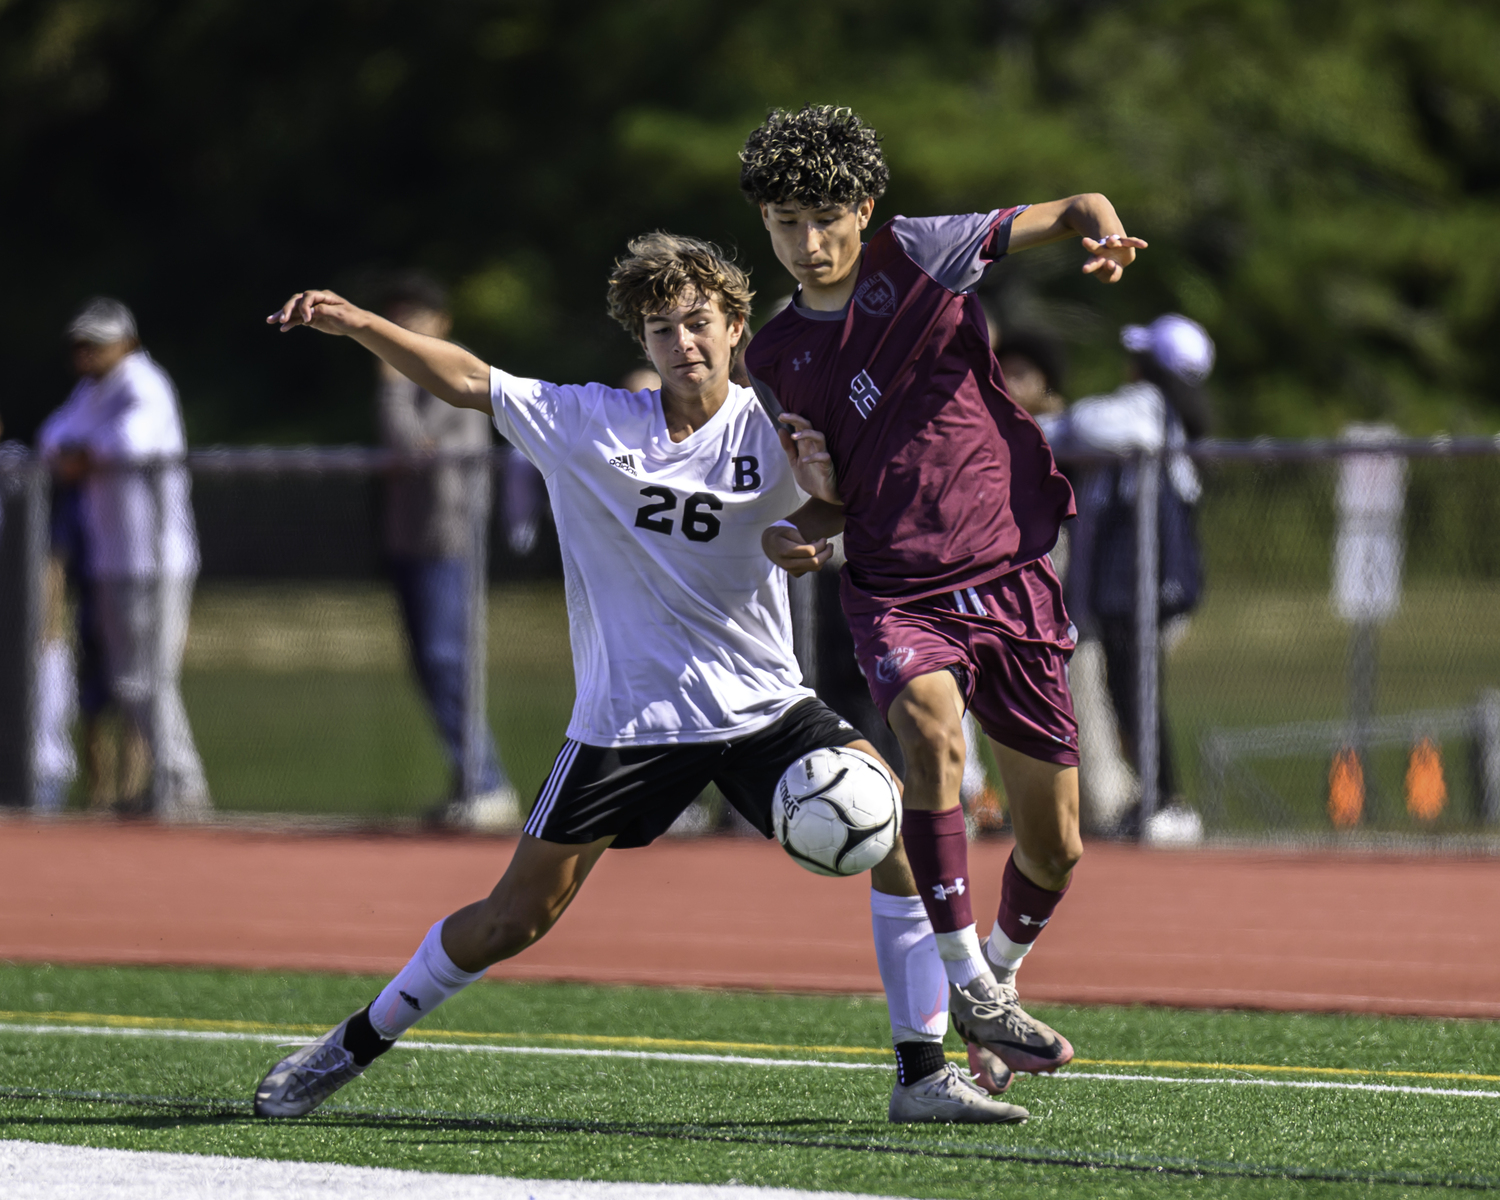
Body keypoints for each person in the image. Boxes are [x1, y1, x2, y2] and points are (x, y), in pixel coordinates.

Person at [252, 234, 1028, 1125]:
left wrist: (817, 531)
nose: (684, 343)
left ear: (737, 327)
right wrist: (358, 324)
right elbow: (468, 380)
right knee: (513, 919)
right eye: (662, 329)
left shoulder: (784, 431)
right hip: (627, 723)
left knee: (893, 832)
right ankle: (348, 1046)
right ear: (644, 341)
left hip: (764, 708)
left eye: (699, 323)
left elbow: (858, 501)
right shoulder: (587, 421)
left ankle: (922, 1069)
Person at [743, 104, 1146, 1085]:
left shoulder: (920, 256)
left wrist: (1096, 219)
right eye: (786, 221)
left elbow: (1061, 211)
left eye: (826, 217)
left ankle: (993, 986)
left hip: (1009, 574)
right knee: (930, 732)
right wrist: (804, 531)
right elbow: (839, 497)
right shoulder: (773, 356)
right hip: (897, 589)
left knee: (1055, 850)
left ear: (865, 210)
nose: (808, 241)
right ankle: (965, 975)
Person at [35, 298, 209, 820]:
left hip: (156, 559)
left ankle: (181, 784)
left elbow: (126, 445)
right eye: (80, 344)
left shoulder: (143, 383)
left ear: (125, 343)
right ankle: (168, 781)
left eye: (96, 344)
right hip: (112, 558)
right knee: (129, 680)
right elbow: (51, 441)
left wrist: (81, 453)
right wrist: (81, 452)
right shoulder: (92, 390)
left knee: (152, 677)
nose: (85, 354)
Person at [1046, 314, 1213, 822]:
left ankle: (1166, 798)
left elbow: (1090, 424)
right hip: (1126, 584)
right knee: (1129, 689)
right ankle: (1154, 795)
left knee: (1139, 689)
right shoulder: (1163, 415)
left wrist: (1060, 422)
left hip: (1144, 581)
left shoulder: (1150, 409)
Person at [373, 275, 519, 830]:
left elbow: (414, 451)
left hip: (450, 543)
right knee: (428, 665)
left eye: (416, 317)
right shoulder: (405, 382)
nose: (405, 328)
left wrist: (389, 386)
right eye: (396, 317)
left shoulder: (451, 374)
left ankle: (487, 784)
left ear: (442, 323)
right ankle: (468, 781)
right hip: (407, 541)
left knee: (447, 660)